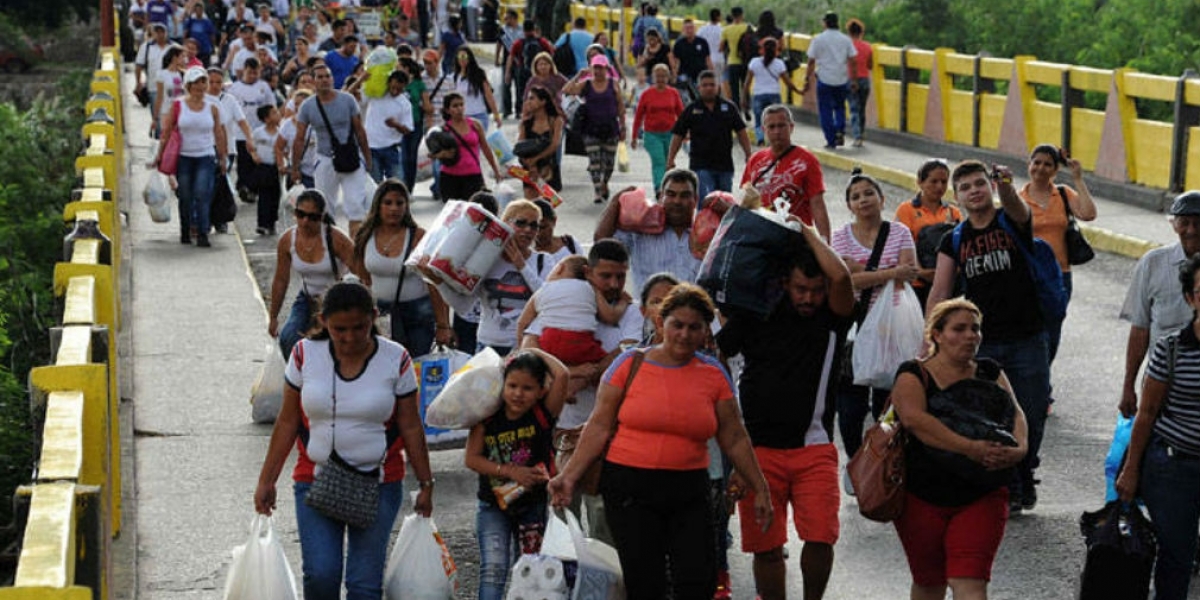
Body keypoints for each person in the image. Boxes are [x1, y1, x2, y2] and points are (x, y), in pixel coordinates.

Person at [548, 283, 773, 599]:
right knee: (645, 582)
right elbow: (598, 426)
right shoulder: (628, 364)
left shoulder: (713, 374)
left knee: (698, 580)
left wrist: (760, 488)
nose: (684, 334)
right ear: (660, 323)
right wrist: (568, 477)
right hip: (629, 488)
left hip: (689, 488)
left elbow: (734, 437)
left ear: (706, 330)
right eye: (677, 325)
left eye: (694, 327)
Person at [254, 279, 435, 600]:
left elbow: (410, 425)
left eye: (359, 328)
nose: (350, 338)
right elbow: (287, 421)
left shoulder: (397, 358)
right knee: (321, 575)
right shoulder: (303, 354)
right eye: (340, 330)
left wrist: (425, 483)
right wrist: (266, 480)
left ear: (374, 317)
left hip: (379, 483)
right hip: (315, 479)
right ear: (323, 321)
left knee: (364, 585)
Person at [715, 222, 853, 600]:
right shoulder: (756, 312)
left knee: (821, 537)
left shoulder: (833, 318)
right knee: (766, 547)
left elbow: (840, 275)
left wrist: (805, 231)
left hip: (814, 448)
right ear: (785, 283)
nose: (808, 298)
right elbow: (714, 355)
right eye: (800, 289)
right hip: (756, 451)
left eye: (815, 291)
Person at [927, 160, 1050, 514]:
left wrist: (1007, 185)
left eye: (980, 184)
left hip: (1028, 336)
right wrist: (930, 339)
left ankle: (1025, 470)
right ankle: (1010, 483)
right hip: (982, 343)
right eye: (965, 187)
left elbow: (1017, 207)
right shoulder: (954, 239)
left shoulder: (1011, 221)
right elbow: (940, 291)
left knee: (1033, 412)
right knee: (994, 416)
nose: (974, 191)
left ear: (990, 187)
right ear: (957, 196)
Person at [891, 298, 1028, 600]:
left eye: (975, 329)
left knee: (970, 582)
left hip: (983, 493)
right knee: (929, 582)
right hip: (922, 496)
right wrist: (970, 448)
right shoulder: (914, 374)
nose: (970, 336)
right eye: (959, 329)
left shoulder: (990, 372)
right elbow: (915, 421)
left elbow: (1015, 412)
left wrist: (1019, 449)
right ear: (936, 335)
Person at [525, 239, 642, 544]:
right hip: (560, 428)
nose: (615, 284)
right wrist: (579, 373)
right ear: (589, 273)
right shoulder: (563, 300)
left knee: (605, 524)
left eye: (621, 276)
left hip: (608, 434)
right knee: (562, 519)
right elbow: (527, 352)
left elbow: (625, 359)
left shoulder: (630, 311)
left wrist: (572, 375)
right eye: (606, 276)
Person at [830, 170, 918, 485]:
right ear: (849, 205)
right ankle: (856, 464)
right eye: (856, 196)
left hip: (892, 330)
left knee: (888, 404)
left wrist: (865, 271)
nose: (863, 199)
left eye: (869, 193)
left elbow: (909, 272)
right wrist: (888, 271)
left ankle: (886, 460)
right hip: (853, 328)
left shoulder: (900, 232)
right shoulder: (840, 236)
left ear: (882, 199)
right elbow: (844, 279)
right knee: (850, 404)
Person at [467, 348, 571, 600]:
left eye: (527, 388)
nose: (518, 394)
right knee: (492, 569)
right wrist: (511, 472)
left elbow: (562, 374)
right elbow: (472, 459)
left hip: (532, 506)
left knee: (529, 570)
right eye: (512, 385)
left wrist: (532, 350)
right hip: (492, 505)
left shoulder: (543, 415)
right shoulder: (487, 418)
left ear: (541, 391)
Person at [424, 199, 544, 354]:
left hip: (527, 345)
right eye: (521, 223)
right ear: (505, 223)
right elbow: (463, 307)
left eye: (534, 225)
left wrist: (521, 265)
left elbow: (547, 299)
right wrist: (439, 282)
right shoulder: (486, 260)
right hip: (488, 345)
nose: (528, 229)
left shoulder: (543, 261)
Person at [1119, 192, 1200, 418]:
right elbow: (1140, 328)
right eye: (1184, 223)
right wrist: (1128, 386)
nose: (1192, 230)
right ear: (1174, 225)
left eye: (1198, 223)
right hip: (1160, 383)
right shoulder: (1152, 263)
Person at [353, 179, 452, 355]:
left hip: (417, 315)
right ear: (378, 205)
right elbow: (363, 280)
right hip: (380, 315)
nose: (394, 208)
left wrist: (443, 325)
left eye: (400, 203)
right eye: (388, 203)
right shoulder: (365, 235)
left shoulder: (418, 236)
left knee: (415, 368)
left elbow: (434, 283)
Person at [1018, 144, 1098, 364]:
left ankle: (1043, 380)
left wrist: (1078, 179)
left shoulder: (1062, 194)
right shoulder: (1018, 199)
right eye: (1037, 163)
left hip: (1059, 276)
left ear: (1054, 170)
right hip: (1028, 276)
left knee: (1052, 331)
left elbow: (1089, 213)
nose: (1041, 168)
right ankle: (1035, 382)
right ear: (1029, 164)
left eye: (1047, 164)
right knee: (1030, 331)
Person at [268, 190, 357, 359]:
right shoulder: (287, 240)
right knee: (288, 338)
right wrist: (273, 316)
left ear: (322, 217)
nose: (305, 221)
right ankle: (299, 378)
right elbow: (281, 280)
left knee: (333, 345)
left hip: (335, 300)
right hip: (307, 297)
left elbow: (362, 273)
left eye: (312, 217)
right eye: (300, 214)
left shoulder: (336, 239)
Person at [291, 64, 373, 238]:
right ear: (313, 81)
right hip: (325, 159)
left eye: (327, 76)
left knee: (355, 206)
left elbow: (360, 131)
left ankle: (355, 251)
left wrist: (367, 158)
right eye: (319, 77)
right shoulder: (307, 106)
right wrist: (295, 167)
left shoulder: (347, 100)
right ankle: (329, 247)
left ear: (332, 78)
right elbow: (299, 138)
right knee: (324, 207)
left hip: (351, 158)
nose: (324, 80)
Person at [595, 168, 703, 292]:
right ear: (661, 196)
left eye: (684, 195)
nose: (677, 201)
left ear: (695, 200)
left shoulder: (709, 233)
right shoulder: (639, 229)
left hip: (694, 309)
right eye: (671, 194)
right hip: (647, 310)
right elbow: (601, 244)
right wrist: (616, 202)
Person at [154, 66, 227, 247]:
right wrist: (160, 154)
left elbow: (218, 132)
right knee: (185, 195)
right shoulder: (178, 105)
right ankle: (186, 229)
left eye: (203, 82)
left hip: (205, 156)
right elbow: (167, 131)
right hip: (184, 157)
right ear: (188, 85)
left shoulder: (212, 107)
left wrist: (223, 156)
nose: (200, 87)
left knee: (202, 193)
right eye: (196, 83)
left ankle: (203, 232)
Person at [517, 255, 632, 365]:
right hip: (580, 342)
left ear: (560, 268)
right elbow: (610, 316)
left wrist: (519, 346)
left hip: (548, 341)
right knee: (601, 366)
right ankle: (582, 373)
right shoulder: (591, 288)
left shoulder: (543, 289)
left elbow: (523, 322)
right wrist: (623, 302)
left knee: (542, 365)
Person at [741, 104, 831, 240]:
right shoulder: (755, 161)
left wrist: (825, 243)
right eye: (771, 127)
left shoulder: (807, 160)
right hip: (761, 239)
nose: (777, 131)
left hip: (796, 238)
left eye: (781, 125)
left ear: (791, 127)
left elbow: (817, 204)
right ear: (763, 130)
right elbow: (746, 203)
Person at [667, 70, 751, 200]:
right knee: (707, 200)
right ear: (699, 88)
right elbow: (678, 135)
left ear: (718, 87)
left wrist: (748, 154)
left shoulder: (729, 107)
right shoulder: (691, 109)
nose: (709, 88)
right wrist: (671, 159)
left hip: (725, 166)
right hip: (700, 166)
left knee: (725, 202)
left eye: (712, 85)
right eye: (705, 85)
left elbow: (741, 132)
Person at [895, 158, 961, 308]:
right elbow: (904, 243)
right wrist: (921, 272)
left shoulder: (953, 212)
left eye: (944, 182)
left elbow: (960, 246)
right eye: (934, 181)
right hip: (916, 284)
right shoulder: (906, 210)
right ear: (920, 182)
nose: (939, 186)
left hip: (948, 284)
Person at [562, 55, 626, 204]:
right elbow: (567, 90)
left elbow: (620, 106)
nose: (597, 71)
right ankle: (597, 190)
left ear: (606, 69)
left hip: (610, 128)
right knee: (595, 161)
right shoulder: (586, 84)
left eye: (600, 68)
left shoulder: (613, 84)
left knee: (609, 163)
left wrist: (623, 126)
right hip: (590, 129)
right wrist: (579, 75)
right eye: (595, 68)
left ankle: (604, 183)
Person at [433, 92, 504, 202]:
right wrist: (442, 154)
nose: (459, 109)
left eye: (461, 105)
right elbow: (432, 152)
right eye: (455, 106)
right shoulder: (444, 129)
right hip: (450, 176)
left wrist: (495, 169)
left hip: (473, 175)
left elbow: (485, 148)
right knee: (453, 214)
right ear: (448, 110)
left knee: (473, 212)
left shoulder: (475, 124)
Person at [802, 12, 857, 149]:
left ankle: (831, 139)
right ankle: (839, 129)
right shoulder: (845, 40)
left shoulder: (818, 39)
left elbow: (811, 61)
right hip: (841, 79)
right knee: (840, 107)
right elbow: (853, 61)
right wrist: (854, 80)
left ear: (825, 23)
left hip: (824, 79)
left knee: (825, 110)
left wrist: (807, 78)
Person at [631, 64, 684, 196]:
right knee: (659, 161)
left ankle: (670, 187)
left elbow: (681, 114)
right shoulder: (647, 94)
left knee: (669, 162)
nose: (660, 79)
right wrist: (633, 136)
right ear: (652, 78)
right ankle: (659, 188)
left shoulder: (673, 93)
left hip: (670, 134)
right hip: (652, 135)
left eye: (663, 76)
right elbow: (638, 116)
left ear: (668, 77)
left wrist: (686, 132)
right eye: (657, 76)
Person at [228, 56, 275, 201]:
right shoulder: (234, 88)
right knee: (244, 162)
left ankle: (251, 188)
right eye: (250, 73)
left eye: (256, 73)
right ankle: (243, 186)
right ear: (244, 71)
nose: (253, 76)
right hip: (240, 133)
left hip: (259, 131)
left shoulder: (263, 87)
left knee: (258, 162)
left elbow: (271, 105)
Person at [743, 38, 802, 146]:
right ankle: (774, 140)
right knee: (776, 121)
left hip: (758, 95)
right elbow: (787, 82)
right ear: (776, 50)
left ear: (762, 50)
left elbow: (747, 83)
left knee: (759, 120)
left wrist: (744, 98)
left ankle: (760, 140)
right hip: (774, 94)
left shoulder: (754, 62)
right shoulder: (779, 64)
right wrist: (798, 91)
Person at [359, 70, 414, 183]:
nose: (395, 91)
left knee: (396, 183)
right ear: (388, 83)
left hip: (391, 148)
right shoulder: (375, 94)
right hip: (371, 147)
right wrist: (361, 80)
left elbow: (408, 129)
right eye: (393, 87)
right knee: (374, 184)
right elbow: (353, 97)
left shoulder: (405, 104)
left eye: (399, 89)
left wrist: (396, 125)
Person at [516, 85, 564, 195]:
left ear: (543, 102)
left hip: (548, 167)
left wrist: (536, 159)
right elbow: (520, 146)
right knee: (530, 204)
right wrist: (531, 164)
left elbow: (555, 144)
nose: (528, 102)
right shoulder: (526, 123)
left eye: (532, 98)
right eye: (528, 98)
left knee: (548, 206)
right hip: (529, 166)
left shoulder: (556, 121)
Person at [399, 56, 433, 195]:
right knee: (402, 157)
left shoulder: (418, 84)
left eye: (399, 66)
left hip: (415, 124)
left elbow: (428, 106)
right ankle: (402, 186)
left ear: (407, 68)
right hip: (398, 126)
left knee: (412, 157)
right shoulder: (397, 83)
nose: (397, 69)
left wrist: (424, 106)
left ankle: (409, 187)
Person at [507, 20, 554, 116]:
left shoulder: (519, 43)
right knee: (540, 90)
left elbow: (511, 57)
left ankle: (520, 111)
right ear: (534, 29)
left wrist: (507, 73)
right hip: (538, 71)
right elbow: (551, 54)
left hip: (522, 71)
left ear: (523, 30)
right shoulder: (542, 41)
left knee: (521, 91)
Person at [250, 104, 283, 236]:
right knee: (264, 195)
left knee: (276, 195)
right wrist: (254, 155)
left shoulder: (281, 132)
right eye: (274, 113)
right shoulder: (258, 132)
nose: (278, 115)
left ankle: (272, 222)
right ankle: (262, 224)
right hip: (263, 167)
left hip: (276, 167)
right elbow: (251, 146)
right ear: (266, 118)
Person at [452, 46, 503, 133]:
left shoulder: (478, 74)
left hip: (479, 115)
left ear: (470, 58)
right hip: (462, 117)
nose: (462, 60)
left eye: (465, 57)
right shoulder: (455, 77)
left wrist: (496, 115)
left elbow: (489, 95)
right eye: (460, 57)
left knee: (477, 144)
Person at [531, 199, 580, 279]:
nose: (538, 233)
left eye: (543, 227)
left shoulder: (571, 245)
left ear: (554, 221)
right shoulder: (526, 254)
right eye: (534, 228)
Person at [670, 17, 712, 103]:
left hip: (700, 75)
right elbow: (676, 62)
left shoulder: (702, 42)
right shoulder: (679, 44)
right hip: (685, 76)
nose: (689, 30)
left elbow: (707, 59)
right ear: (683, 30)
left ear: (695, 29)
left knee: (701, 99)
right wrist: (674, 76)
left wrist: (712, 74)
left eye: (691, 28)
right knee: (686, 100)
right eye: (687, 28)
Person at [719, 6, 751, 111]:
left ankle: (737, 110)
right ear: (742, 15)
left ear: (732, 16)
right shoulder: (748, 27)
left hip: (732, 62)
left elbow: (721, 48)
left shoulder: (726, 30)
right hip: (745, 62)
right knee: (745, 86)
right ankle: (747, 107)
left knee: (734, 89)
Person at [846, 18, 872, 147]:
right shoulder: (867, 47)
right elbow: (870, 65)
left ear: (849, 32)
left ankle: (857, 137)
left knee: (854, 109)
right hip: (865, 80)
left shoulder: (847, 46)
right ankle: (861, 133)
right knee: (862, 109)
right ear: (861, 32)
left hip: (851, 80)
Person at [135, 23, 172, 110]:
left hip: (171, 87)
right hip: (153, 87)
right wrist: (138, 83)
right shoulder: (146, 47)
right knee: (157, 114)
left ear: (166, 33)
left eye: (162, 32)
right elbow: (138, 66)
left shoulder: (173, 47)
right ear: (153, 33)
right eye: (157, 32)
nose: (160, 35)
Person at [154, 44, 188, 135]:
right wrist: (155, 117)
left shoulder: (185, 74)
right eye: (182, 56)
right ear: (174, 58)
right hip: (166, 111)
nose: (185, 59)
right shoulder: (161, 74)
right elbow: (159, 97)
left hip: (182, 113)